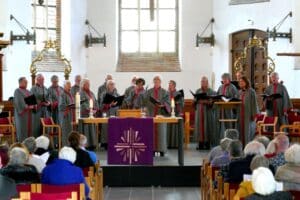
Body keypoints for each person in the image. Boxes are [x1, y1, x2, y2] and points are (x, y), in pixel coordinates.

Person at [144, 75, 170, 156]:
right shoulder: (149, 91)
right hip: (151, 113)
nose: (156, 82)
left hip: (160, 114)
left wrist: (163, 105)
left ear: (160, 82)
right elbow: (145, 101)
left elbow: (168, 102)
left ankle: (161, 150)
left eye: (158, 80)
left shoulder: (165, 92)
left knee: (161, 132)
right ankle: (151, 150)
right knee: (150, 132)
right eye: (155, 81)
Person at [194, 76, 217, 148]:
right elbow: (194, 101)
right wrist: (195, 101)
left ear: (207, 82)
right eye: (201, 81)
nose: (202, 83)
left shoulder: (212, 91)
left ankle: (207, 143)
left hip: (208, 112)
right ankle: (200, 143)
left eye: (204, 81)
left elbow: (213, 102)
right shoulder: (198, 91)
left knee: (208, 126)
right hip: (199, 112)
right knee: (200, 127)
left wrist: (206, 102)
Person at [238, 76, 259, 145]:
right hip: (241, 114)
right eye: (240, 82)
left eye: (242, 81)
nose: (240, 83)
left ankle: (249, 146)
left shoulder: (251, 91)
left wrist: (254, 114)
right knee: (241, 130)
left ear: (246, 82)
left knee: (248, 131)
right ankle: (242, 146)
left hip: (249, 114)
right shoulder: (239, 92)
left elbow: (254, 103)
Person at [217, 73, 238, 137]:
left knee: (229, 123)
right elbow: (217, 95)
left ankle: (230, 137)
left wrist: (228, 98)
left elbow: (235, 97)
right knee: (221, 123)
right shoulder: (220, 87)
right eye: (223, 79)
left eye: (225, 79)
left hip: (229, 109)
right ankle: (222, 137)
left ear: (229, 79)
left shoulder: (233, 87)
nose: (224, 80)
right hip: (221, 108)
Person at [13, 77, 35, 142]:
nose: (27, 83)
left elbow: (33, 102)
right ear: (20, 82)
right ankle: (21, 146)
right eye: (25, 82)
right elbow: (18, 102)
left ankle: (29, 146)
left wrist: (34, 105)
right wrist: (27, 107)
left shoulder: (28, 91)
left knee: (29, 131)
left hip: (29, 114)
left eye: (27, 82)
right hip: (22, 115)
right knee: (22, 130)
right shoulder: (17, 91)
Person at [80, 79, 98, 149]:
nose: (89, 85)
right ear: (83, 85)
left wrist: (95, 109)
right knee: (87, 129)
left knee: (92, 129)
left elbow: (95, 101)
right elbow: (83, 103)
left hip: (92, 114)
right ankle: (87, 145)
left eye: (89, 84)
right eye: (87, 84)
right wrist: (89, 109)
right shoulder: (81, 93)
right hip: (85, 114)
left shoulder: (91, 93)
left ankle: (92, 143)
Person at [167, 80, 184, 148]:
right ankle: (168, 144)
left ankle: (176, 144)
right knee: (168, 128)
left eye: (171, 85)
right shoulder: (166, 93)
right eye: (169, 85)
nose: (169, 86)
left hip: (176, 112)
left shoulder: (178, 93)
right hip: (168, 112)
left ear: (174, 85)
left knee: (175, 128)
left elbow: (182, 103)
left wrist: (177, 103)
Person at [59, 80, 75, 146]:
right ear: (64, 86)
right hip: (65, 116)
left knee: (70, 131)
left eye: (70, 85)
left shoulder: (70, 94)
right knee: (66, 131)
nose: (70, 87)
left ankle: (70, 145)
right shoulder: (62, 94)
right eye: (68, 85)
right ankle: (65, 145)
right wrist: (69, 106)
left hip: (70, 114)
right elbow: (61, 106)